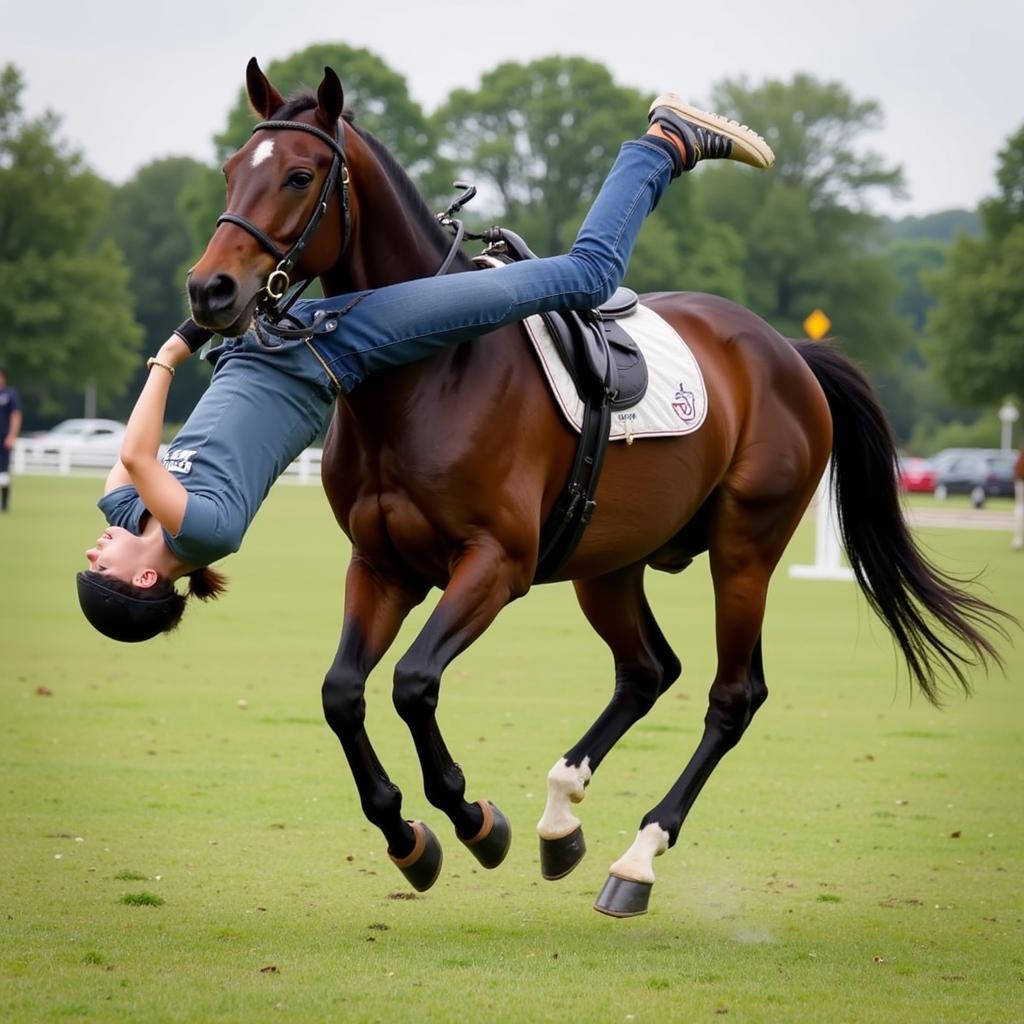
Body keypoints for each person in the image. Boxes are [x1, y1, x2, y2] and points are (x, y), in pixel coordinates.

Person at [77, 95, 775, 642]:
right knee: (588, 275)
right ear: (143, 580)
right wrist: (169, 354)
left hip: (275, 331)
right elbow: (138, 452)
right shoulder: (201, 533)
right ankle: (665, 144)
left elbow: (123, 468)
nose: (93, 547)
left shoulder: (131, 510)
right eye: (97, 565)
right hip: (339, 342)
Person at [0, 369, 23, 513]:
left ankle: (4, 504)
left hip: (3, 439)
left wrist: (11, 436)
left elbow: (16, 415)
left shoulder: (10, 395)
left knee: (3, 472)